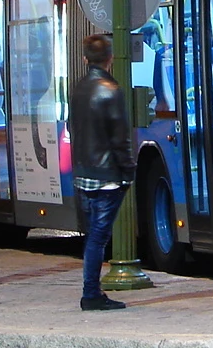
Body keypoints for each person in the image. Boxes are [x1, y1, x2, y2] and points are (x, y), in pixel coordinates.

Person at [69, 34, 136, 311]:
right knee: (99, 236)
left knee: (93, 235)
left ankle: (91, 292)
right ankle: (91, 293)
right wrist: (128, 170)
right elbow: (120, 138)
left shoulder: (77, 88)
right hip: (108, 176)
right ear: (109, 58)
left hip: (83, 173)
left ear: (85, 59)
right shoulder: (111, 89)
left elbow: (73, 129)